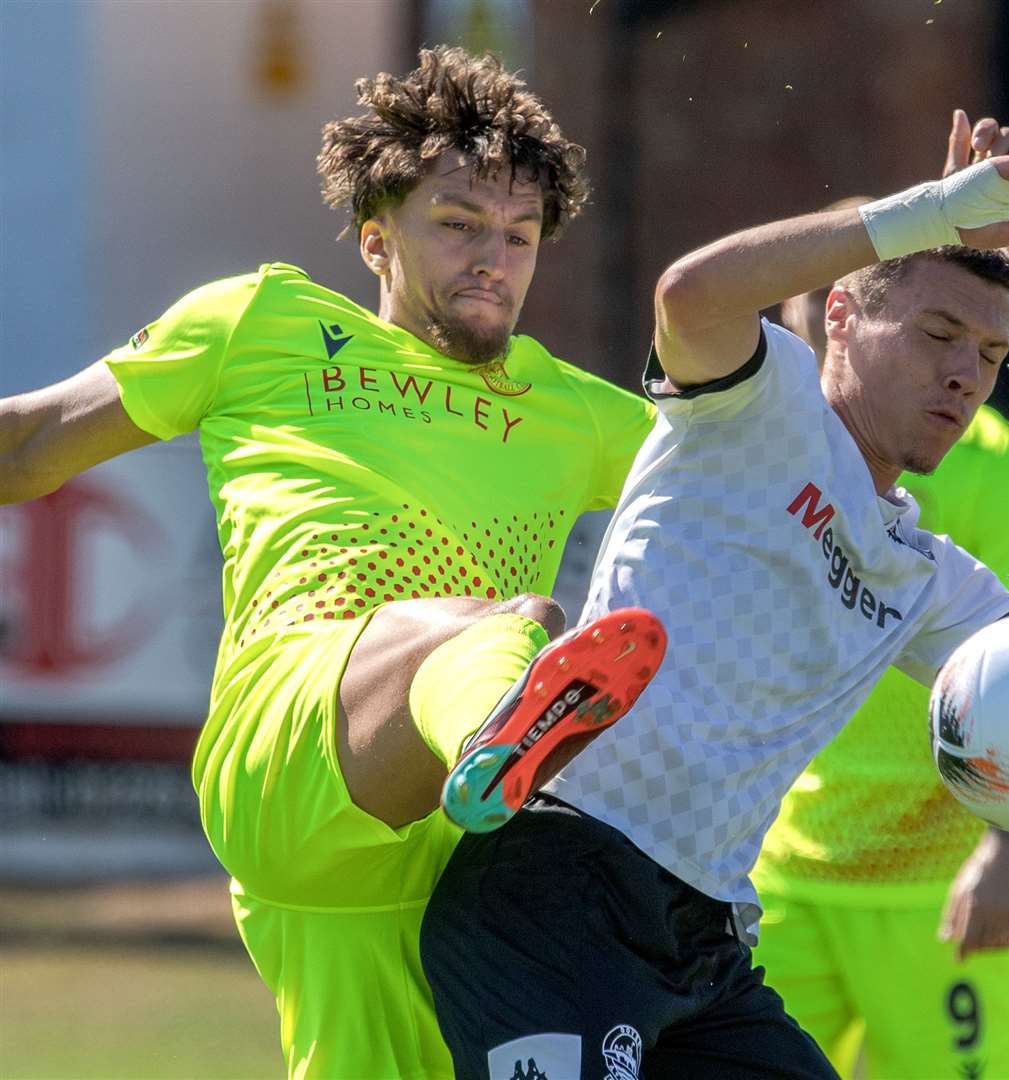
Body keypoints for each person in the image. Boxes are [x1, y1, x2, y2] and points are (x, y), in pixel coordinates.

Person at [420, 136, 1009, 1079]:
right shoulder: (760, 399)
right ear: (841, 317)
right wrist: (932, 208)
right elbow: (688, 296)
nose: (964, 374)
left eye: (990, 354)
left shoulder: (926, 577)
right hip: (556, 891)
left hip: (700, 940)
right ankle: (495, 719)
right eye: (936, 333)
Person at [0, 47, 666, 1080]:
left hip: (447, 858)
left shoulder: (578, 412)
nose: (492, 256)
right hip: (292, 739)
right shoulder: (258, 327)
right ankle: (505, 724)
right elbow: (29, 444)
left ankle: (502, 744)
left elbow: (749, 490)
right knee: (511, 623)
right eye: (456, 224)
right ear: (376, 240)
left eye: (519, 236)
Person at [752, 112, 1009, 1080]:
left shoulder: (979, 460)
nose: (809, 311)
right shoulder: (749, 439)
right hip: (778, 876)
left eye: (974, 346)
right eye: (805, 294)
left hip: (928, 887)